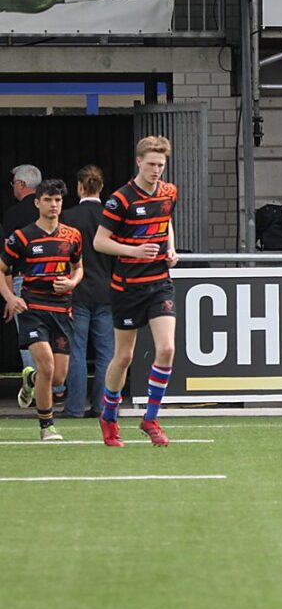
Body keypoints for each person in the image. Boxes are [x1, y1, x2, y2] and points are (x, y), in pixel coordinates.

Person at [93, 136, 180, 448]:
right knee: (124, 356)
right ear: (139, 162)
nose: (156, 170)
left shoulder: (169, 192)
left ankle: (150, 419)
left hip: (159, 283)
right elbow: (100, 242)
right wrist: (134, 251)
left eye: (161, 165)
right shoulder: (121, 200)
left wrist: (170, 249)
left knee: (166, 349)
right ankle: (109, 416)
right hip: (127, 287)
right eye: (152, 164)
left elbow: (166, 222)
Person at [0, 179, 83, 441]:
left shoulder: (72, 235)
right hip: (32, 308)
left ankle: (31, 379)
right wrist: (10, 297)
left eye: (57, 200)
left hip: (62, 310)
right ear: (37, 203)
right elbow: (2, 269)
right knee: (47, 365)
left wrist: (72, 282)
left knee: (58, 376)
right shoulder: (22, 236)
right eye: (48, 200)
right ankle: (47, 426)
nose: (53, 205)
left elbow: (78, 267)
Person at [57, 165, 114, 419]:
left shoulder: (67, 217)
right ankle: (103, 405)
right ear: (101, 187)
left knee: (76, 350)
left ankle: (75, 406)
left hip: (76, 290)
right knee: (106, 352)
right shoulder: (110, 217)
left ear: (80, 187)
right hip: (107, 291)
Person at [3, 164, 43, 374]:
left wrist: (9, 294)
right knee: (52, 332)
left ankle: (33, 383)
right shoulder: (49, 211)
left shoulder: (12, 215)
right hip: (52, 279)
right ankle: (56, 385)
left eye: (13, 184)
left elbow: (7, 259)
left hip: (23, 280)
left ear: (21, 184)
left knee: (28, 335)